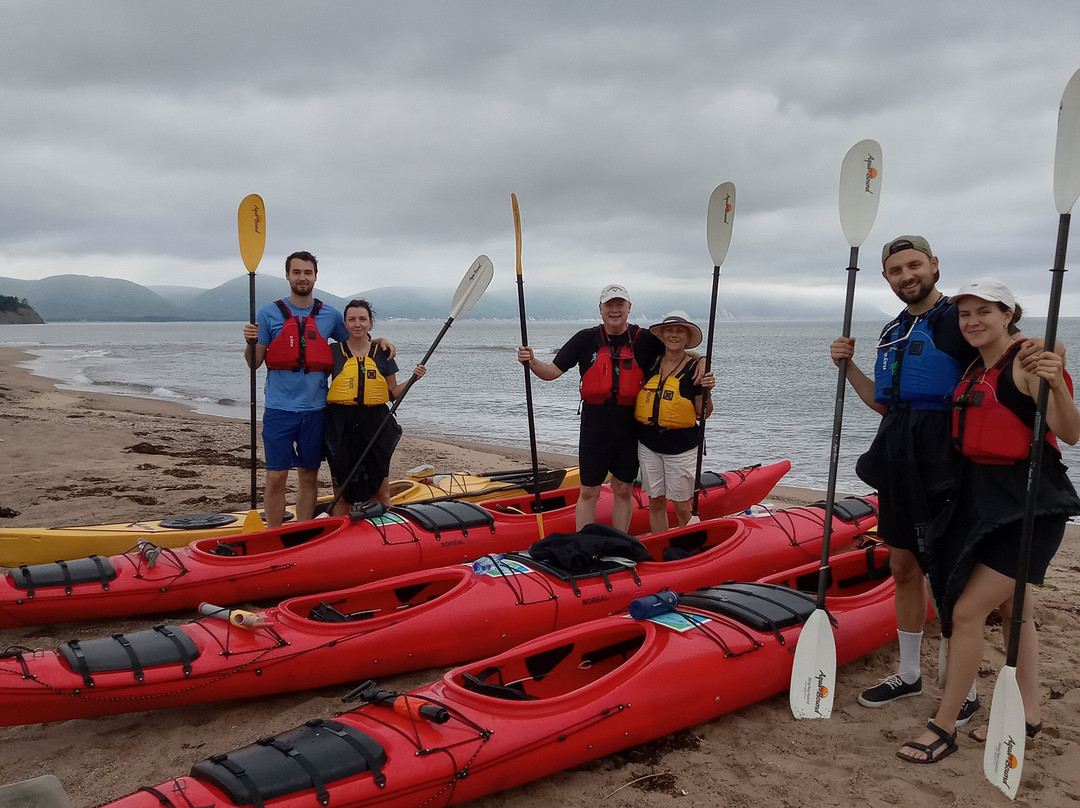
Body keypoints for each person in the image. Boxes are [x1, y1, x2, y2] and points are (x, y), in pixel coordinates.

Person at [896, 278, 1080, 764]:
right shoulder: (977, 364)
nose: (973, 321)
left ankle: (943, 725)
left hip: (1028, 505)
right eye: (965, 314)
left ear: (1008, 314)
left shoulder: (1030, 362)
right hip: (981, 499)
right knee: (1012, 609)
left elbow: (1071, 432)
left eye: (985, 312)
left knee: (966, 612)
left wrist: (1058, 381)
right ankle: (1030, 713)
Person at [830, 235, 982, 719]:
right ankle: (911, 674)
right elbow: (883, 402)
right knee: (902, 566)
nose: (906, 276)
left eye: (914, 265)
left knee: (951, 573)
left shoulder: (960, 319)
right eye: (896, 270)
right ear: (887, 279)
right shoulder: (894, 329)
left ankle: (968, 687)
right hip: (898, 453)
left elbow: (1008, 354)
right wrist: (847, 365)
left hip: (946, 456)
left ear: (934, 265)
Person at [242, 251, 392, 527]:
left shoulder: (330, 315)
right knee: (276, 476)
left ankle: (301, 530)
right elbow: (254, 363)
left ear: (315, 277)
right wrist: (250, 342)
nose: (302, 277)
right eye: (296, 272)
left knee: (309, 475)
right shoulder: (269, 313)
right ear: (287, 275)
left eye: (307, 273)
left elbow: (356, 341)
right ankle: (273, 535)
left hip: (316, 409)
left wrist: (379, 339)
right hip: (279, 407)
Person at [517, 284, 663, 532]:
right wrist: (531, 361)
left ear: (629, 308)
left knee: (623, 488)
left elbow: (676, 354)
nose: (614, 310)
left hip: (630, 426)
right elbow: (552, 372)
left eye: (619, 304)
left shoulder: (646, 340)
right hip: (595, 425)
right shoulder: (585, 339)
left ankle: (619, 542)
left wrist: (701, 361)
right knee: (588, 491)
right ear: (600, 309)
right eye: (609, 305)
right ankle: (584, 543)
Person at [323, 299, 425, 514]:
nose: (357, 324)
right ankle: (342, 540)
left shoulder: (382, 352)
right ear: (345, 323)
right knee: (341, 494)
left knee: (382, 492)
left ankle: (385, 535)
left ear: (370, 323)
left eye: (362, 319)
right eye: (352, 319)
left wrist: (413, 379)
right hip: (341, 424)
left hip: (375, 423)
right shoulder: (333, 351)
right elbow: (316, 384)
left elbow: (393, 394)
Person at [634, 312, 715, 533]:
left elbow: (703, 413)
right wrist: (702, 356)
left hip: (681, 447)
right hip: (649, 445)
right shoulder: (652, 362)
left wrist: (707, 390)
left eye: (680, 330)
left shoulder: (695, 370)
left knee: (681, 506)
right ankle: (660, 545)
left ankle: (686, 550)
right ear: (662, 335)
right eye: (669, 330)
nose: (674, 334)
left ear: (687, 337)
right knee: (656, 502)